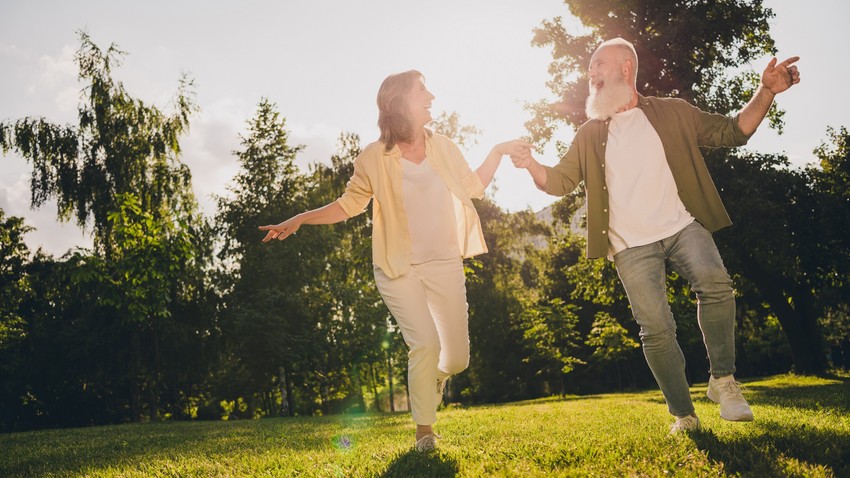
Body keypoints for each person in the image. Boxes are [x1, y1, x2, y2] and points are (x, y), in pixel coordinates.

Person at [510, 38, 800, 434]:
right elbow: (560, 182)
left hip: (682, 225)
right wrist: (531, 164)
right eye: (590, 69)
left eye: (598, 65)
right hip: (630, 246)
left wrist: (766, 91)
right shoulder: (590, 133)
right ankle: (685, 415)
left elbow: (734, 131)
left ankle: (723, 382)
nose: (590, 74)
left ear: (625, 69)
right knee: (657, 329)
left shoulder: (672, 112)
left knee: (716, 284)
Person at [259, 70, 531, 450]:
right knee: (423, 343)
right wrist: (301, 218)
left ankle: (437, 376)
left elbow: (474, 187)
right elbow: (348, 205)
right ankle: (425, 432)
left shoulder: (445, 147)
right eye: (424, 91)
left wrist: (498, 151)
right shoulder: (373, 157)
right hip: (397, 267)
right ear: (400, 102)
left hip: (444, 262)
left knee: (457, 359)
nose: (432, 96)